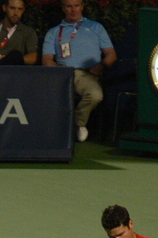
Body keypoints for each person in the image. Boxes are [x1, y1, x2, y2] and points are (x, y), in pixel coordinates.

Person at [42, 0, 116, 142]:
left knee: (95, 95)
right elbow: (47, 60)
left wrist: (101, 66)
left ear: (82, 7)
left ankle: (77, 124)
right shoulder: (54, 32)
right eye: (69, 6)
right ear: (63, 8)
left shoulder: (96, 27)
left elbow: (111, 55)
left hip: (86, 74)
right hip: (63, 73)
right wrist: (58, 73)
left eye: (76, 6)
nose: (73, 10)